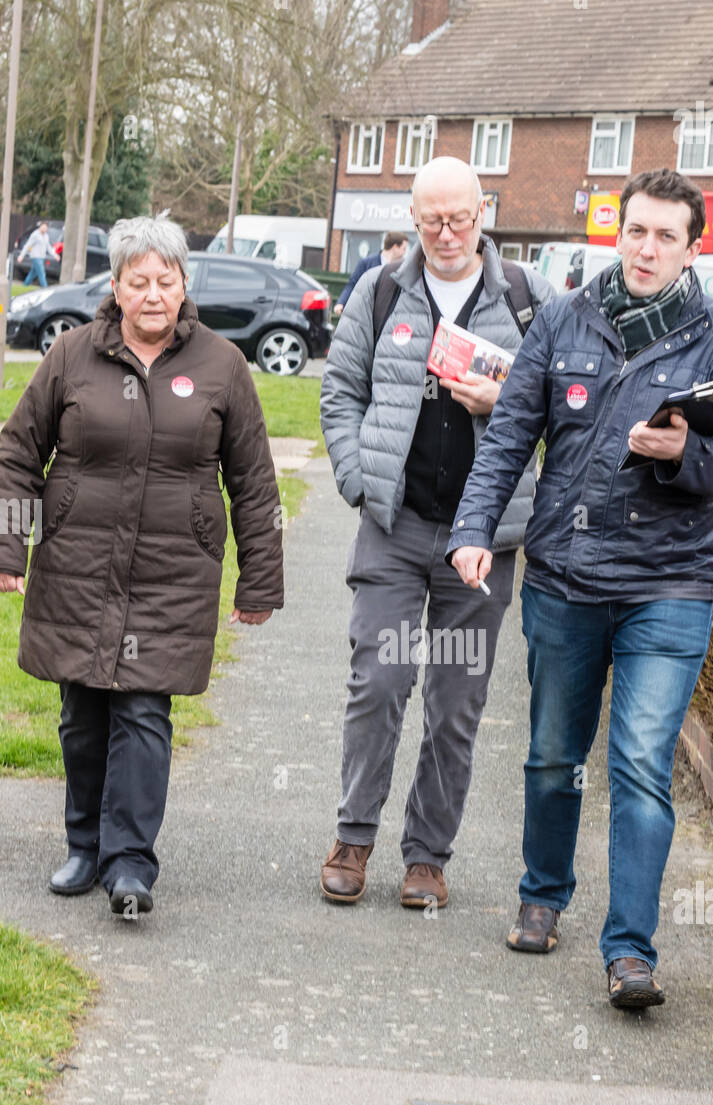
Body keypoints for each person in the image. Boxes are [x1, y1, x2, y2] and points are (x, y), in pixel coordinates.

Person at [448, 167, 713, 1007]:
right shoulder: (563, 318)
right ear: (614, 233)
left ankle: (630, 954)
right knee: (554, 756)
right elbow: (510, 432)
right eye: (635, 231)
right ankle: (542, 895)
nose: (646, 247)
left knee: (638, 764)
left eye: (665, 235)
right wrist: (473, 529)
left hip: (670, 585)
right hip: (565, 578)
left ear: (692, 246)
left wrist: (681, 456)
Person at [0, 214, 284, 919]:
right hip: (78, 564)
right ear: (116, 288)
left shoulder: (222, 365)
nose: (153, 293)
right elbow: (15, 456)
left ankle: (130, 862)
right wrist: (8, 546)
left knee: (142, 709)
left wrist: (260, 579)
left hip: (172, 570)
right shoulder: (70, 355)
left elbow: (253, 480)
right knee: (82, 712)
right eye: (139, 281)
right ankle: (84, 845)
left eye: (166, 280)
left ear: (184, 285)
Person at [319, 155, 554, 909]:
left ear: (483, 213)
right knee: (378, 684)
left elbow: (570, 409)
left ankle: (426, 857)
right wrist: (359, 481)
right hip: (396, 529)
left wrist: (505, 396)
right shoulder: (383, 289)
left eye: (459, 218)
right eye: (431, 220)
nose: (447, 233)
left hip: (481, 542)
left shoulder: (527, 299)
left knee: (455, 705)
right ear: (413, 220)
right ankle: (353, 838)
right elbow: (339, 389)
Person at [333, 231, 409, 316]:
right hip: (366, 314)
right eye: (404, 249)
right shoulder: (366, 263)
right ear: (395, 247)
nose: (404, 253)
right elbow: (352, 284)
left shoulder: (402, 268)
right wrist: (341, 302)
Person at [17, 221, 60, 287]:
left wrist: (55, 255)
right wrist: (21, 256)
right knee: (42, 274)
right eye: (43, 227)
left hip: (42, 257)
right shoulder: (35, 235)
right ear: (40, 227)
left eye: (46, 228)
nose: (44, 229)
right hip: (36, 257)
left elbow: (48, 247)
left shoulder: (46, 236)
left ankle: (25, 285)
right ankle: (45, 288)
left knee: (32, 274)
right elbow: (28, 245)